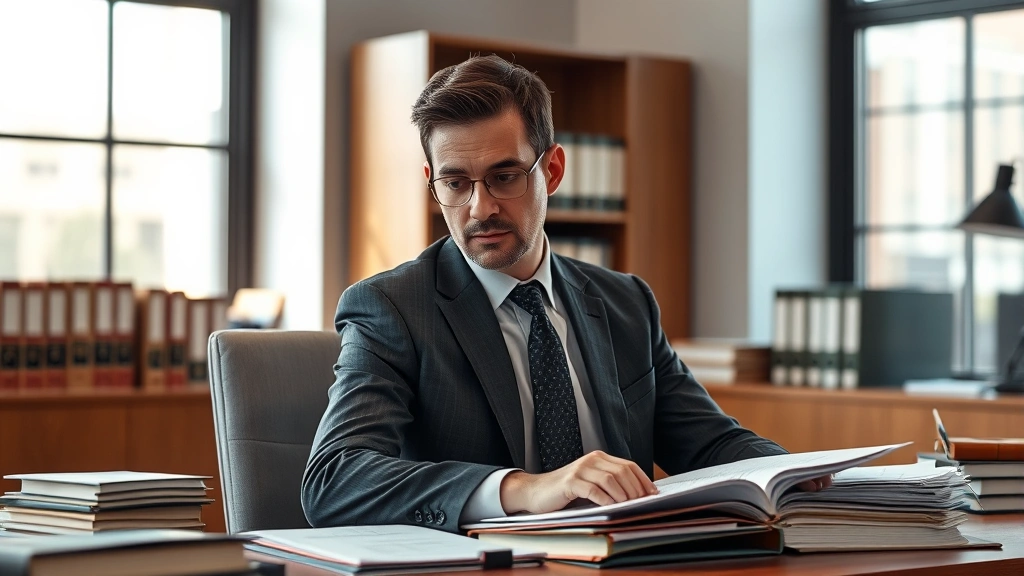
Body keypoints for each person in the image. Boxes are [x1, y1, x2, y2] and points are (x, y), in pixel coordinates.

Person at [301, 54, 830, 533]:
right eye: (455, 183)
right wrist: (525, 488)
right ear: (432, 181)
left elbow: (711, 444)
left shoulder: (626, 302)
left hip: (629, 560)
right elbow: (335, 478)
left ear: (551, 170)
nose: (479, 208)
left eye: (504, 176)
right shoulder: (393, 308)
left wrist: (792, 472)